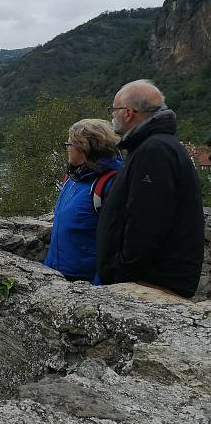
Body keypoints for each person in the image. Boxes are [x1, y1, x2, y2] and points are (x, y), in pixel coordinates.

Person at [96, 79, 204, 298]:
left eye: (113, 110)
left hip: (152, 282)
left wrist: (122, 271)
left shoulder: (154, 150)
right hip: (151, 278)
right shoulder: (156, 145)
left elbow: (145, 220)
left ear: (128, 113)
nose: (111, 115)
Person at [45, 119, 122, 281]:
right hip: (55, 274)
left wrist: (97, 288)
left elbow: (117, 243)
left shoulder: (110, 183)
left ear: (84, 147)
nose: (67, 149)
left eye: (70, 144)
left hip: (84, 281)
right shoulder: (72, 178)